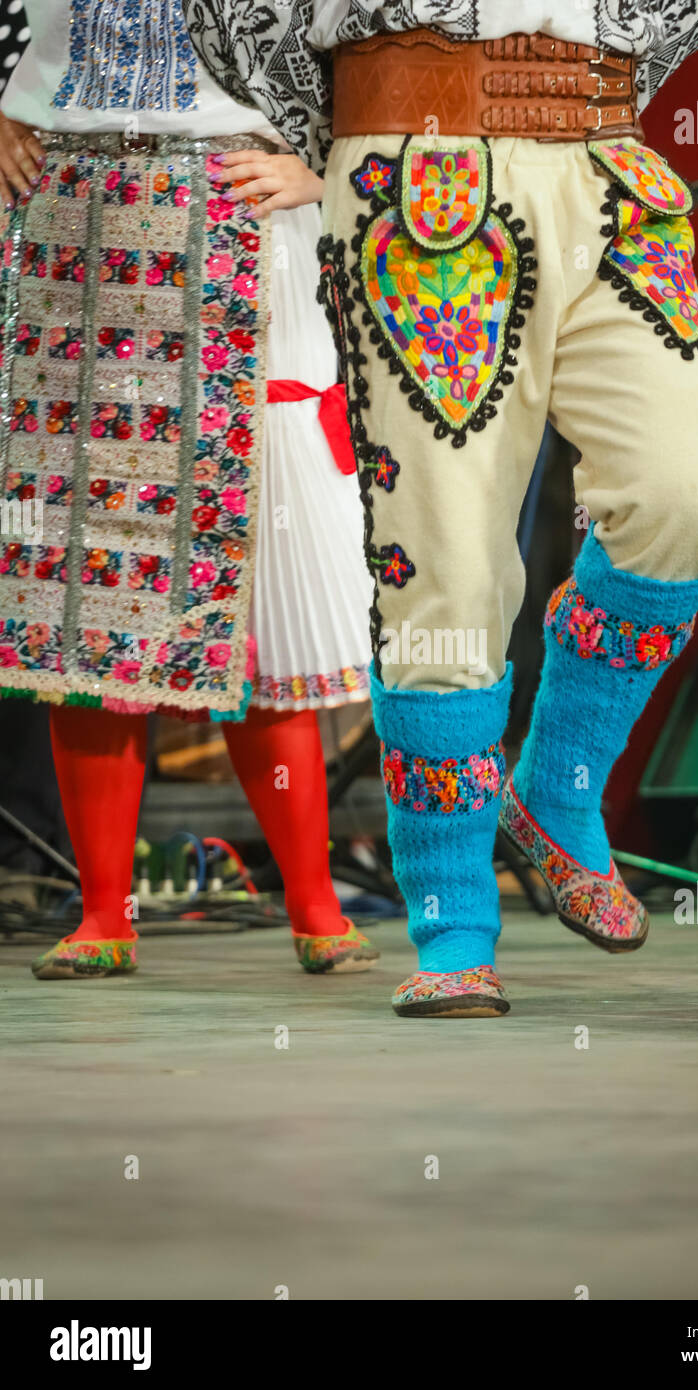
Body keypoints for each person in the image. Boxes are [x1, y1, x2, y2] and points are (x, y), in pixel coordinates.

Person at [184, 1, 698, 1017]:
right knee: (443, 558)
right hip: (415, 157)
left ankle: (558, 784)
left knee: (684, 488)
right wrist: (349, 135)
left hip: (605, 154)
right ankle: (451, 920)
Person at [0, 0, 378, 981]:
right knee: (88, 574)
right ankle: (100, 912)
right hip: (67, 205)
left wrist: (330, 161)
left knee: (240, 562)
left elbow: (372, 34)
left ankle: (312, 897)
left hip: (231, 203)